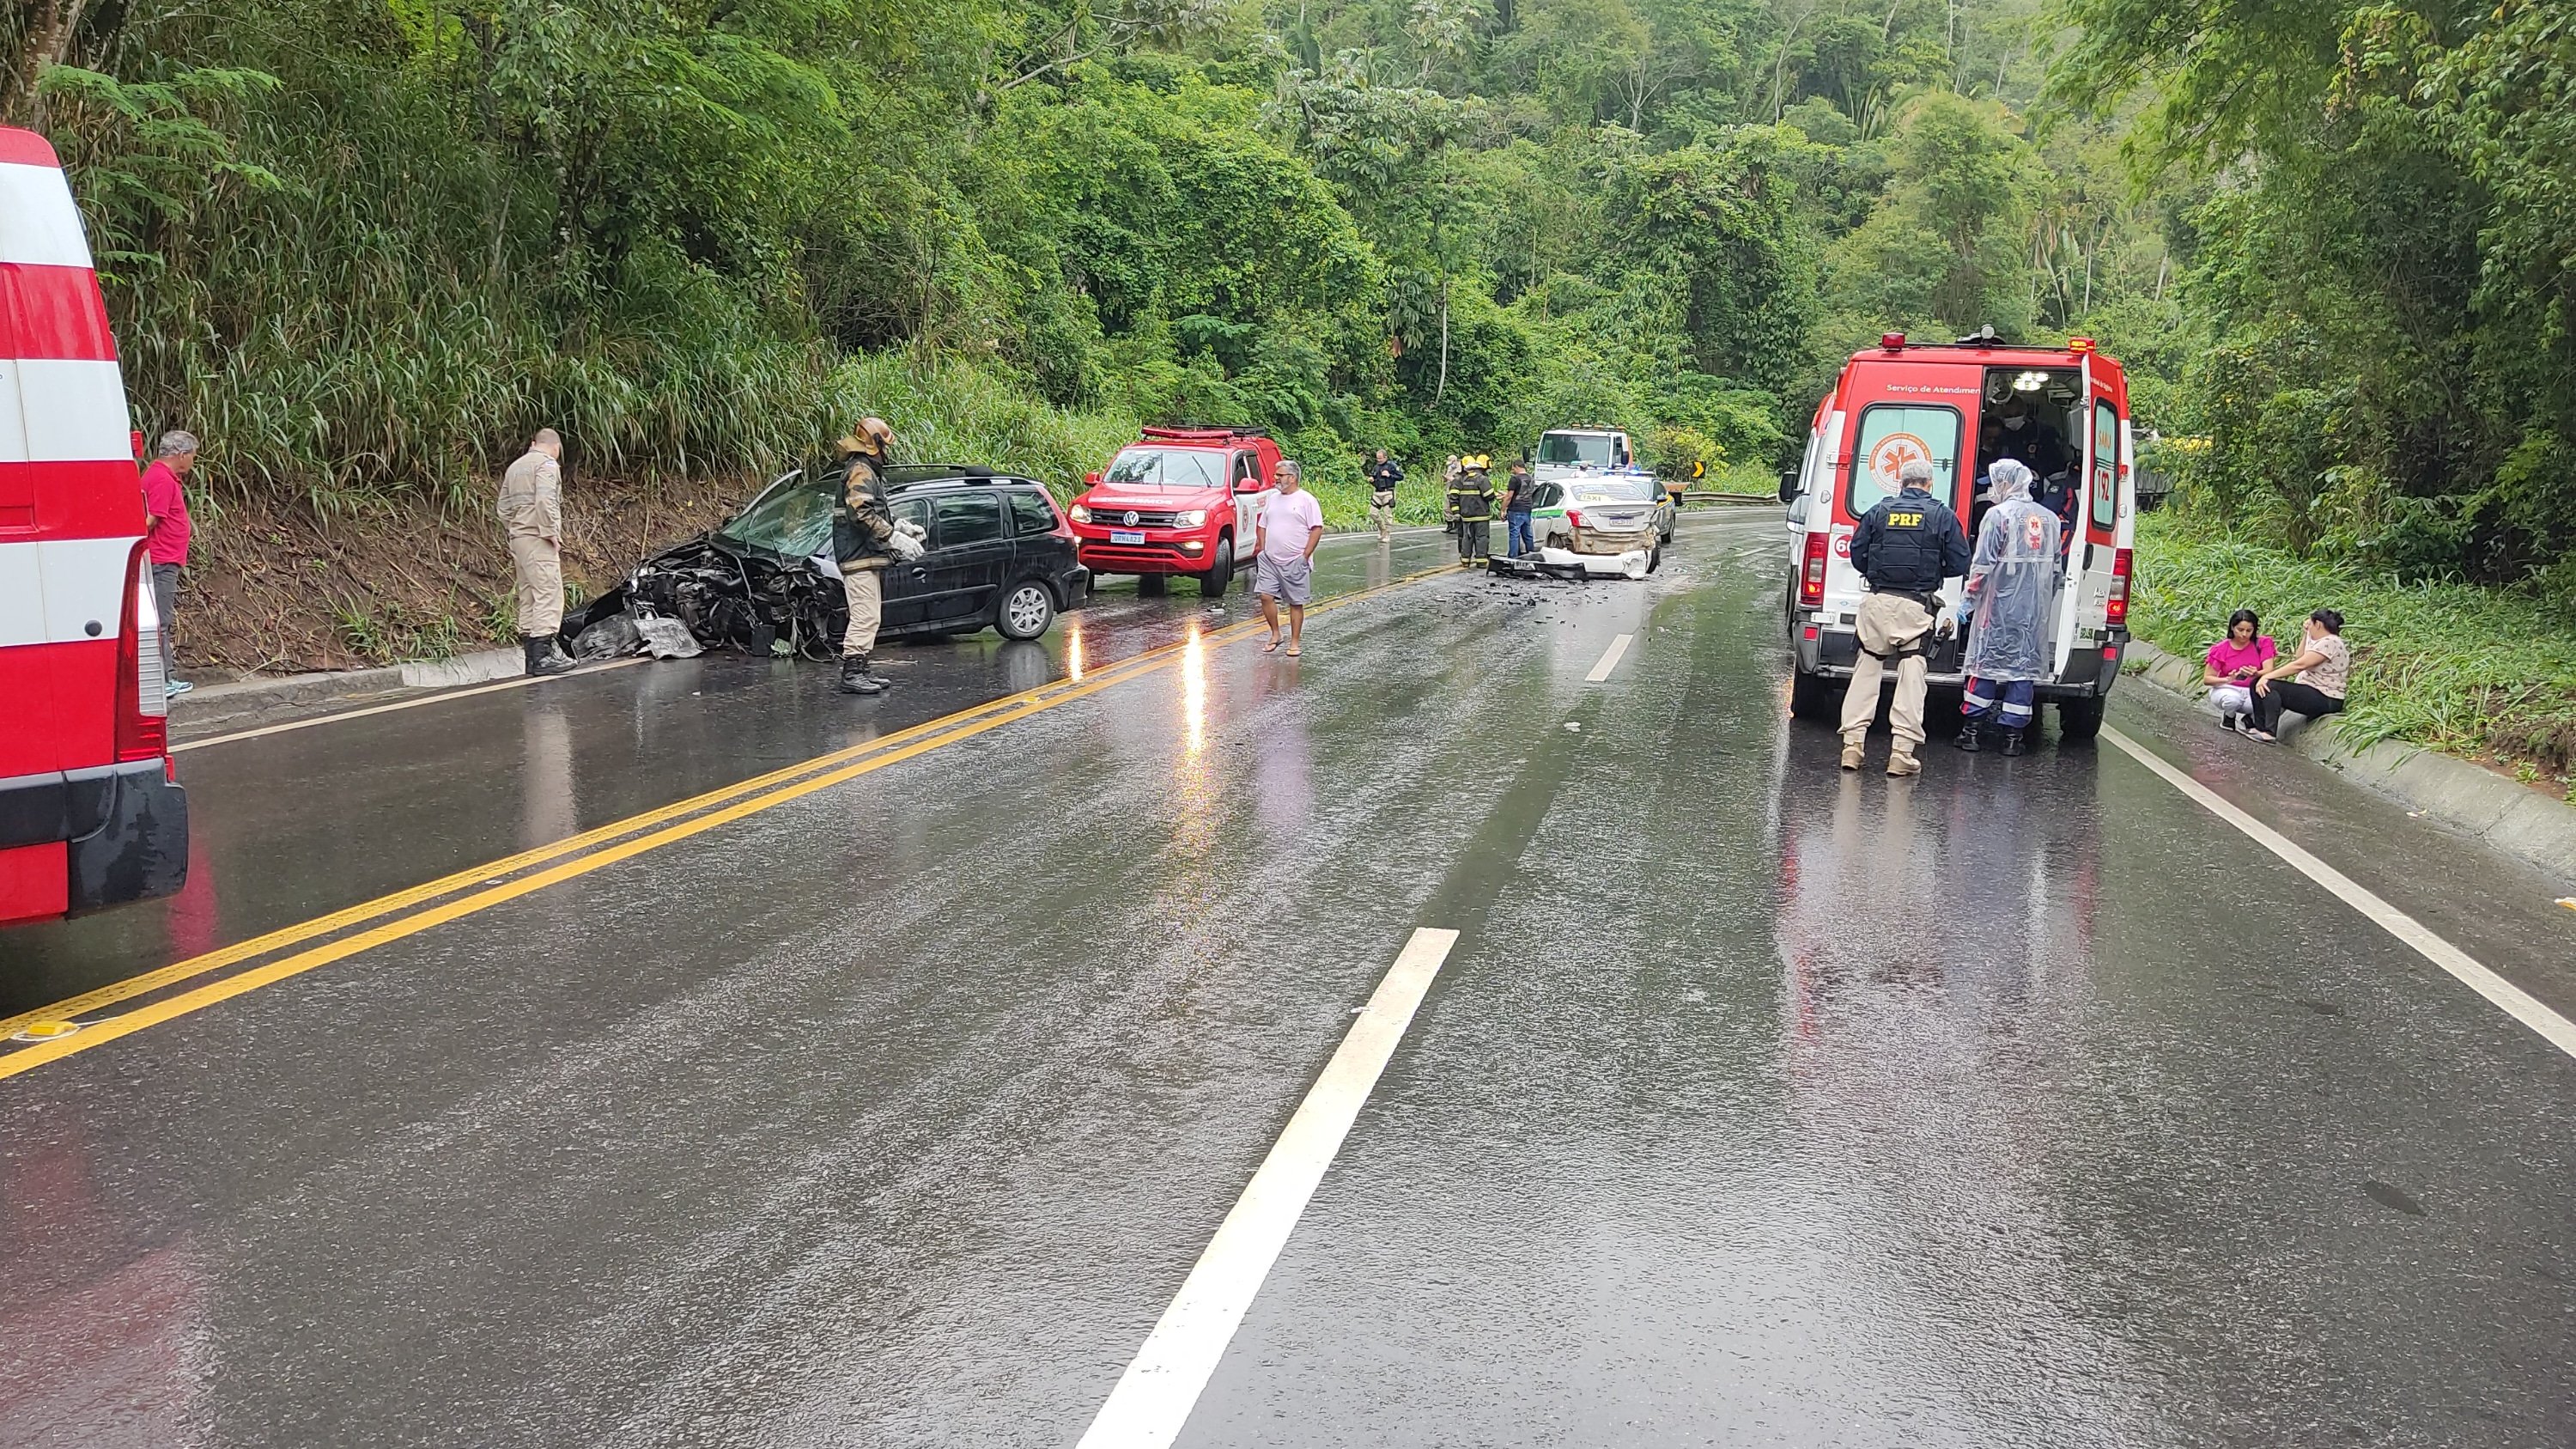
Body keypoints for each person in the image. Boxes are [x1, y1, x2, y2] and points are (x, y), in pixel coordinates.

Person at [1838, 458, 1971, 776]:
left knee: (1867, 668)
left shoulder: (1878, 512)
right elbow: (1959, 562)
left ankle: (1853, 747)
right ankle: (1901, 752)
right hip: (1915, 606)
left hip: (1878, 601)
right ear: (1928, 484)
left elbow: (1858, 554)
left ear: (1901, 482)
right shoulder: (1942, 515)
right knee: (1912, 674)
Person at [1956, 458, 2060, 756]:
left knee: (1985, 663)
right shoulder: (2049, 519)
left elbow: (1983, 565)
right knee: (2022, 669)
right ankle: (2013, 738)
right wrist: (2041, 602)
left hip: (1997, 605)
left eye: (1995, 483)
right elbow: (2056, 571)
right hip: (2032, 611)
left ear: (2005, 483)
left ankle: (1971, 732)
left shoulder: (1997, 516)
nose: (1992, 490)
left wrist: (1968, 600)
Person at [831, 417, 923, 695]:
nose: (888, 453)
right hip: (857, 557)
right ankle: (852, 673)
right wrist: (893, 537)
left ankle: (862, 669)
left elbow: (874, 511)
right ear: (876, 445)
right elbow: (860, 512)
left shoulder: (865, 471)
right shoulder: (861, 471)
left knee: (870, 615)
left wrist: (901, 527)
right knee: (865, 616)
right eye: (886, 446)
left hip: (864, 556)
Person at [497, 428, 575, 677]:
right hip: (537, 537)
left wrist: (515, 528)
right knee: (549, 593)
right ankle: (543, 658)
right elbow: (545, 500)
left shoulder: (515, 467)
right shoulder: (547, 465)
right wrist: (550, 532)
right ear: (556, 448)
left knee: (529, 594)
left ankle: (531, 658)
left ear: (533, 443)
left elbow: (503, 508)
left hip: (518, 539)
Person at [138, 429, 198, 697]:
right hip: (161, 559)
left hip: (164, 558)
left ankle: (164, 678)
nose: (192, 463)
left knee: (159, 621)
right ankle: (161, 681)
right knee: (159, 622)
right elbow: (151, 519)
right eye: (192, 457)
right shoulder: (162, 479)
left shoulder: (158, 475)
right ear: (181, 454)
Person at [2244, 609, 2349, 742]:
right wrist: (2306, 634)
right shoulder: (2323, 641)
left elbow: (2300, 665)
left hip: (2326, 698)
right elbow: (2299, 656)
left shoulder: (2331, 642)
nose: (2308, 626)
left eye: (2310, 623)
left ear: (2317, 624)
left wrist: (2267, 676)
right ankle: (2259, 727)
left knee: (2270, 685)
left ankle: (2269, 732)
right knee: (2256, 683)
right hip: (2313, 692)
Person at [1255, 460, 1326, 655]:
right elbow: (1263, 525)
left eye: (1280, 475)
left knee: (1295, 602)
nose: (1275, 478)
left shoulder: (1307, 500)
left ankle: (1295, 642)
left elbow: (1317, 528)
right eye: (1276, 474)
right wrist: (1262, 550)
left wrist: (1305, 556)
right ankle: (1276, 634)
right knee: (1265, 596)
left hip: (1295, 560)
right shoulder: (1273, 498)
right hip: (1270, 559)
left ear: (1292, 478)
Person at [2202, 609, 2276, 734]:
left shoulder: (2263, 643)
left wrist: (2256, 673)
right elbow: (2207, 679)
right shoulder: (2221, 649)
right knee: (2233, 700)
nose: (2244, 634)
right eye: (2240, 630)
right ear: (2232, 628)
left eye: (2249, 630)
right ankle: (2229, 717)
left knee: (2275, 701)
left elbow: (2269, 670)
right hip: (2227, 689)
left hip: (2253, 690)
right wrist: (2228, 679)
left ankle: (2251, 718)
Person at [1449, 454, 1495, 566]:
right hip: (1481, 515)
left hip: (1466, 516)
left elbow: (1453, 499)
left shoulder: (1459, 481)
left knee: (1467, 538)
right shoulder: (1482, 479)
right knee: (1481, 538)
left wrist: (1456, 513)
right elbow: (1490, 496)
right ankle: (1481, 562)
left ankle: (1465, 561)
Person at [1365, 449, 1403, 543]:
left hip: (1388, 492)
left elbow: (1401, 477)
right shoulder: (1376, 467)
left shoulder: (1392, 466)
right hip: (1377, 493)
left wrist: (1390, 475)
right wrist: (1371, 480)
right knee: (1373, 513)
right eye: (1377, 458)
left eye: (1380, 458)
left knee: (1387, 515)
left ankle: (1387, 534)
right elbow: (1374, 478)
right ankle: (1382, 529)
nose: (1378, 460)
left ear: (1385, 457)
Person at [1503, 462, 1537, 558]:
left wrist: (1503, 509)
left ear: (1517, 467)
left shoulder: (1515, 479)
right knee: (1528, 534)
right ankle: (1531, 554)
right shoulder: (1531, 478)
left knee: (1514, 534)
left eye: (1513, 468)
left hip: (1515, 509)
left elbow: (1509, 497)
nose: (1513, 470)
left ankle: (1513, 556)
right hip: (1527, 509)